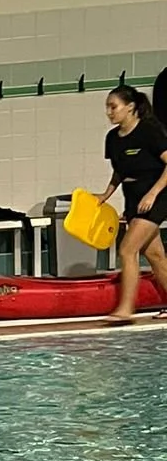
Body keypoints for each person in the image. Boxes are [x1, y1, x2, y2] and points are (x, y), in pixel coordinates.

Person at [98, 84, 167, 323]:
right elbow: (119, 171)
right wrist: (105, 195)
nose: (109, 112)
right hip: (133, 197)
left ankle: (126, 309)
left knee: (127, 249)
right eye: (107, 107)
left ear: (130, 107)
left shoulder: (149, 131)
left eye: (113, 107)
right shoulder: (112, 139)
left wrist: (153, 194)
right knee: (155, 255)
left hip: (157, 194)